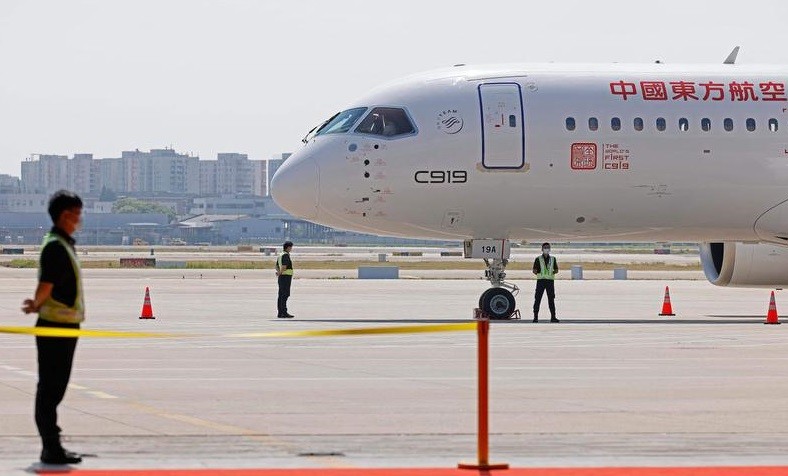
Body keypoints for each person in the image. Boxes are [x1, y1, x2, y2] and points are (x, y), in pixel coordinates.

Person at [21, 190, 85, 465]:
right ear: (65, 215)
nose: (79, 221)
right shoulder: (56, 247)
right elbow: (47, 284)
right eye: (77, 215)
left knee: (55, 388)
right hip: (54, 327)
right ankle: (50, 447)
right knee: (50, 389)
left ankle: (53, 443)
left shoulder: (61, 243)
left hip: (63, 325)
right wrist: (36, 303)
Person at [532, 242, 559, 323]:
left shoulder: (553, 259)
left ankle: (553, 317)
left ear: (550, 249)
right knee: (537, 299)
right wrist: (539, 272)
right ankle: (535, 317)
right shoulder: (538, 259)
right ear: (542, 249)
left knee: (551, 299)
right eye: (545, 247)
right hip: (541, 281)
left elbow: (556, 269)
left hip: (550, 282)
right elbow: (534, 270)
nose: (546, 249)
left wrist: (552, 272)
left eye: (548, 247)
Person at [275, 241, 295, 318]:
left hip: (281, 277)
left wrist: (278, 272)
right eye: (291, 247)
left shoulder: (280, 255)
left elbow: (276, 266)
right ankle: (284, 312)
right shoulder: (285, 255)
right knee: (285, 295)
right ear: (288, 247)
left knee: (281, 295)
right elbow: (284, 266)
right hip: (285, 277)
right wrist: (280, 273)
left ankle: (280, 312)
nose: (291, 249)